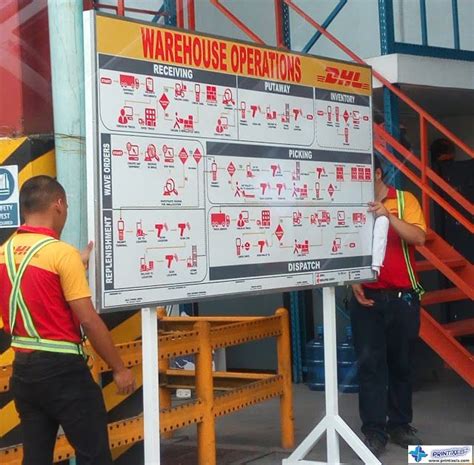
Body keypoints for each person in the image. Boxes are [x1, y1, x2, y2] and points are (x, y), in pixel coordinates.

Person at [0, 175, 135, 465]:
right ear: (58, 204)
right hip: (64, 373)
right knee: (94, 455)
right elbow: (87, 319)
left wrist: (78, 262)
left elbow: (34, 286)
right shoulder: (61, 254)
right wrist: (119, 368)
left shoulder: (5, 252)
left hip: (23, 371)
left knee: (35, 458)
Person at [350, 157, 426, 457]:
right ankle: (374, 430)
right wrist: (350, 280)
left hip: (402, 297)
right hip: (366, 298)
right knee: (369, 366)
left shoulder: (405, 201)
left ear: (378, 173)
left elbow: (419, 237)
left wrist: (388, 217)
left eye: (362, 173)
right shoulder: (352, 203)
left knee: (402, 364)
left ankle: (399, 424)